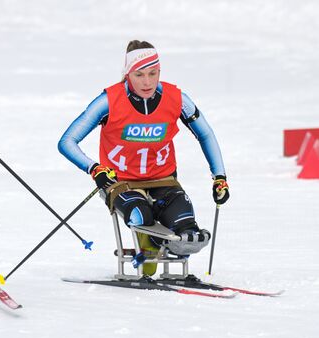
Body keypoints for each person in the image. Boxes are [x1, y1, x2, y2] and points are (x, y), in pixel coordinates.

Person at [58, 40, 229, 258]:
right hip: (121, 183)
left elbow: (205, 134)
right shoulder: (109, 101)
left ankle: (166, 248)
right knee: (141, 217)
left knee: (188, 229)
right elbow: (67, 141)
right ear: (127, 73)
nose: (147, 82)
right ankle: (153, 251)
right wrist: (95, 169)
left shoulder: (177, 99)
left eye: (153, 73)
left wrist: (220, 177)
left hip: (163, 181)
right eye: (139, 75)